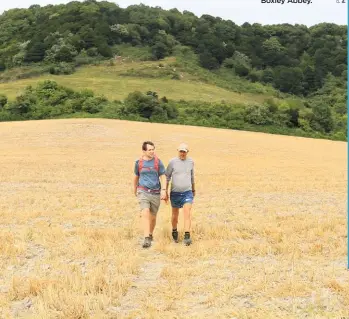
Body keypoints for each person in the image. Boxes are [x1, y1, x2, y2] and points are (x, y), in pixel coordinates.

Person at [133, 141, 167, 248]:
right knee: (145, 212)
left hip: (155, 192)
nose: (152, 151)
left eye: (153, 149)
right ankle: (146, 238)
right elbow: (136, 176)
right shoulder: (139, 163)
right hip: (143, 191)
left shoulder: (158, 162)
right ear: (144, 151)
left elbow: (163, 176)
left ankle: (150, 234)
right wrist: (134, 189)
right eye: (149, 150)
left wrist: (164, 190)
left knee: (153, 216)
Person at [165, 143, 195, 246]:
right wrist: (165, 191)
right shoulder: (172, 162)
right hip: (175, 193)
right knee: (175, 215)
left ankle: (187, 236)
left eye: (184, 151)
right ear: (178, 151)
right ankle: (174, 230)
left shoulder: (191, 162)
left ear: (187, 152)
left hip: (187, 192)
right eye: (181, 151)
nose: (182, 153)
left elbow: (192, 176)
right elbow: (167, 177)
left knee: (187, 212)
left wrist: (193, 189)